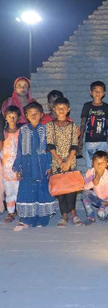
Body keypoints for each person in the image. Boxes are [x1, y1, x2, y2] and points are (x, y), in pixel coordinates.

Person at [12, 102, 56, 231]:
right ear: (26, 116)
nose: (34, 115)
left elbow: (49, 149)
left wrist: (49, 165)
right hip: (27, 166)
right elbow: (20, 149)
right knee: (27, 191)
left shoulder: (46, 129)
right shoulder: (23, 130)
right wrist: (19, 167)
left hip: (42, 165)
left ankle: (42, 219)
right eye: (30, 113)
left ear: (41, 114)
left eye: (36, 113)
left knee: (42, 190)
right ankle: (25, 220)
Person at [46, 97, 82, 227]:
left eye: (63, 108)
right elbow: (50, 144)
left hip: (70, 161)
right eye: (58, 108)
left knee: (71, 188)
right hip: (57, 162)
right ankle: (64, 216)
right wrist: (60, 160)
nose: (61, 110)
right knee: (60, 189)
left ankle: (74, 214)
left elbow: (74, 145)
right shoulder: (50, 126)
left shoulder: (72, 126)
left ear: (68, 110)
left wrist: (67, 162)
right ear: (54, 109)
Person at [81, 151, 108, 225]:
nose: (99, 165)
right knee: (85, 194)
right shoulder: (90, 173)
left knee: (102, 214)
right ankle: (91, 216)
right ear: (92, 163)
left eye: (102, 163)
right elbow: (84, 187)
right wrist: (92, 183)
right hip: (98, 200)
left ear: (107, 164)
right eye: (96, 162)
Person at [79, 81, 108, 169]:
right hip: (90, 140)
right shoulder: (87, 106)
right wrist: (80, 139)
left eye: (100, 91)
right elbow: (83, 123)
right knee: (91, 165)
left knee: (103, 165)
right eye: (95, 90)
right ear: (91, 92)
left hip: (103, 141)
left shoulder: (106, 107)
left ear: (104, 93)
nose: (97, 93)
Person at [1, 106, 21, 222]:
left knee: (19, 190)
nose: (12, 118)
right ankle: (10, 212)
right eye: (9, 116)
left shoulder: (21, 132)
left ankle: (20, 211)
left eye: (14, 116)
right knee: (9, 191)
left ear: (18, 118)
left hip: (17, 167)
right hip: (6, 168)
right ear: (5, 117)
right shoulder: (3, 133)